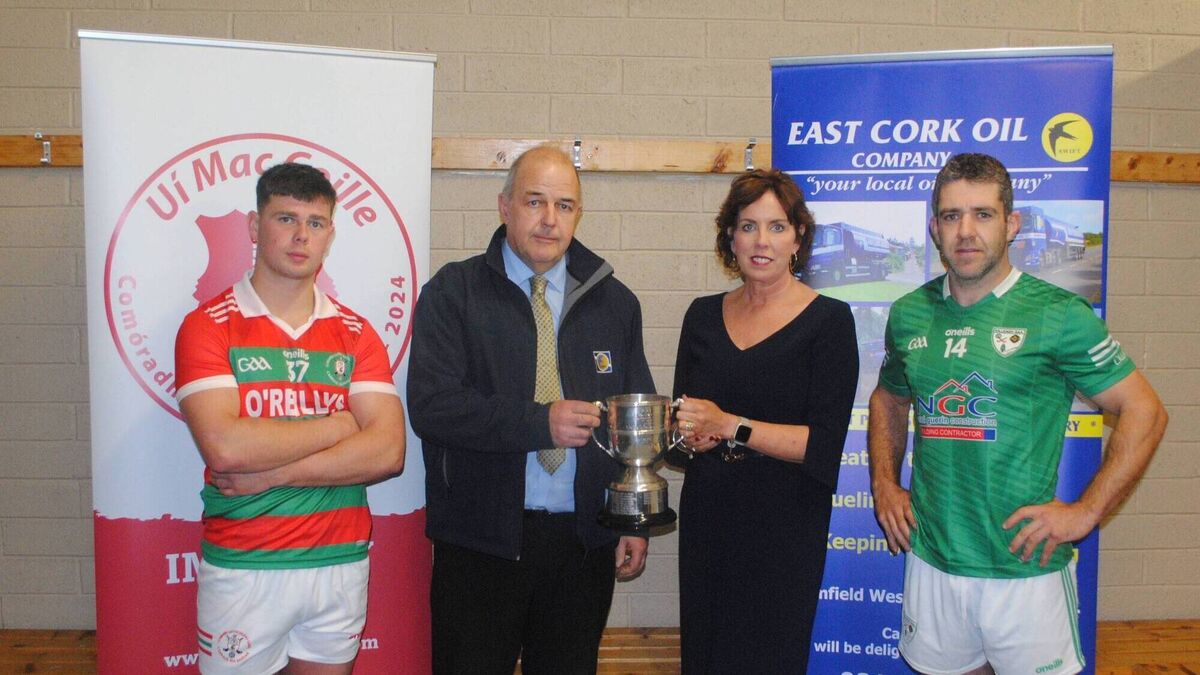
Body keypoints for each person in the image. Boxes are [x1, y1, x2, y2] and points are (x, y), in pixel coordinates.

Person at [869, 153, 1168, 675]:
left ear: (1012, 224)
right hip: (934, 557)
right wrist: (884, 485)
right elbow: (888, 398)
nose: (966, 231)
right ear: (935, 228)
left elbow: (1145, 410)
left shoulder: (1059, 314)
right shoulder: (909, 313)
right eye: (951, 215)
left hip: (1025, 565)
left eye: (982, 214)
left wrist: (1086, 511)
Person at [406, 145, 655, 674]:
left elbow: (633, 426)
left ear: (578, 214)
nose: (549, 220)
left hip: (581, 547)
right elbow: (433, 407)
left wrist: (632, 518)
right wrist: (539, 423)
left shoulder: (616, 303)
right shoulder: (453, 292)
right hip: (479, 543)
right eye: (534, 201)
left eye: (564, 205)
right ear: (504, 207)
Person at [175, 162, 406, 675]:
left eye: (315, 222)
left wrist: (274, 473)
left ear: (330, 235)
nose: (302, 236)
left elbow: (389, 452)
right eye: (286, 218)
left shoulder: (356, 332)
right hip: (246, 564)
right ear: (255, 227)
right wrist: (339, 425)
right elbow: (226, 447)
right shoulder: (208, 326)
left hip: (339, 560)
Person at [672, 168, 859, 673]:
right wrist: (689, 436)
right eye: (748, 226)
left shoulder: (830, 321)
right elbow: (681, 427)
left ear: (798, 238)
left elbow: (821, 446)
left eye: (777, 227)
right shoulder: (701, 315)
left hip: (784, 527)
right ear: (730, 237)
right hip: (709, 518)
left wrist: (729, 425)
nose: (761, 241)